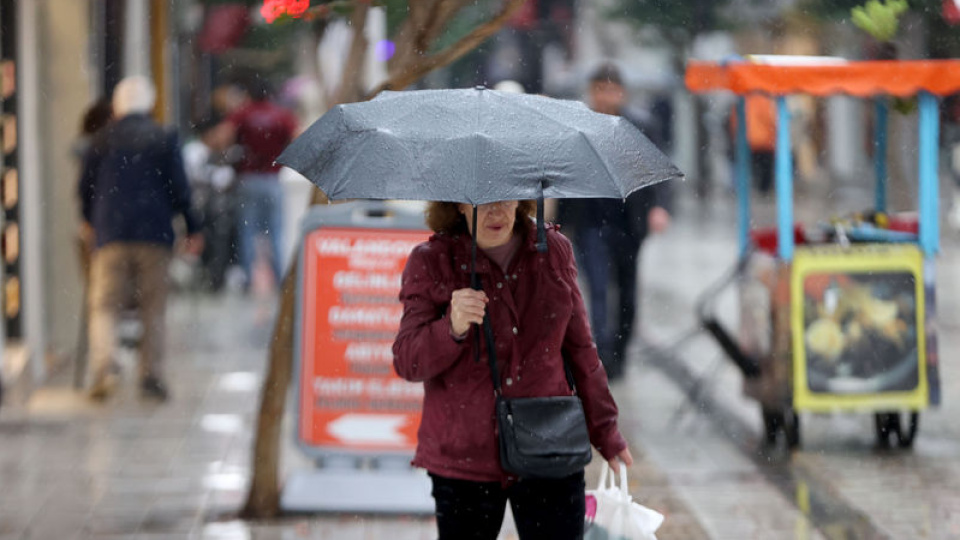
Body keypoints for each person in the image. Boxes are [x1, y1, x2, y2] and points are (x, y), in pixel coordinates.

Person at [393, 200, 633, 539]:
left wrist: (605, 430)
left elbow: (580, 348)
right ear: (458, 204)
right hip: (464, 454)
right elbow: (408, 360)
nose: (497, 212)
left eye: (506, 198)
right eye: (482, 202)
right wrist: (452, 327)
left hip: (549, 441)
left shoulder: (552, 250)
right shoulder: (432, 261)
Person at [79, 76, 203, 402]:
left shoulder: (101, 140)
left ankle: (105, 369)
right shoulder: (163, 138)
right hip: (154, 234)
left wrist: (92, 223)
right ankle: (151, 377)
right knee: (153, 307)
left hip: (111, 233)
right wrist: (193, 227)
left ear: (118, 107)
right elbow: (180, 189)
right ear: (149, 105)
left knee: (105, 306)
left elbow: (85, 188)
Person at [559, 62, 671, 380]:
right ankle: (602, 354)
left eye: (611, 90)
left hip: (629, 221)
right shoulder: (578, 127)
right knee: (596, 288)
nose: (606, 97)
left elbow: (657, 172)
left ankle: (620, 351)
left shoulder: (641, 126)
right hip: (589, 221)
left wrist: (659, 207)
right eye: (599, 90)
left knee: (627, 291)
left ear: (621, 93)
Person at [226, 76, 298, 291]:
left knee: (247, 232)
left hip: (248, 179)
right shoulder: (282, 116)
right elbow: (298, 137)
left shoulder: (243, 114)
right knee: (276, 231)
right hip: (272, 179)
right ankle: (279, 281)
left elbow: (223, 137)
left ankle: (249, 280)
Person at [183, 117, 237, 292]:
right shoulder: (193, 152)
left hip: (213, 208)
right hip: (197, 207)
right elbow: (197, 177)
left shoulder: (217, 152)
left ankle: (214, 276)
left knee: (218, 241)